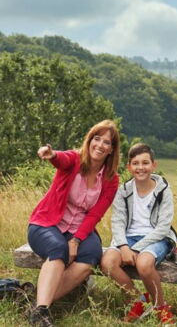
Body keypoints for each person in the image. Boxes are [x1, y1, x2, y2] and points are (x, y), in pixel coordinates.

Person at [26, 120, 121, 327]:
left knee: (91, 256)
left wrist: (76, 240)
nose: (100, 145)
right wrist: (52, 155)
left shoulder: (111, 179)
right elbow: (62, 159)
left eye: (106, 142)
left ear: (112, 149)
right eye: (97, 139)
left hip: (79, 228)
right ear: (89, 140)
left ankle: (37, 305)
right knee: (58, 249)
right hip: (47, 223)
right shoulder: (75, 160)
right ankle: (41, 313)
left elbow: (95, 214)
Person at [101, 143, 177, 324]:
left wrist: (135, 249)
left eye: (145, 163)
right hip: (128, 237)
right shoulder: (124, 190)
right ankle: (138, 301)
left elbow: (163, 227)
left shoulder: (163, 190)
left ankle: (160, 307)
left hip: (157, 238)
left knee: (144, 264)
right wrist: (123, 247)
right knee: (107, 263)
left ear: (153, 165)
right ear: (129, 167)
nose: (140, 167)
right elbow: (118, 221)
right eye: (135, 163)